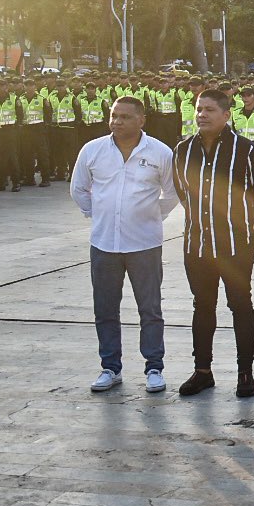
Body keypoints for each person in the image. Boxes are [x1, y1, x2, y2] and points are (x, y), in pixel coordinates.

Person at [70, 96, 178, 393]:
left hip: (144, 243)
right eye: (114, 115)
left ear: (141, 120)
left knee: (150, 308)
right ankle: (110, 367)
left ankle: (154, 367)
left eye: (125, 117)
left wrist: (151, 215)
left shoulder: (159, 152)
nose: (117, 121)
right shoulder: (93, 150)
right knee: (105, 309)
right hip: (104, 244)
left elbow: (171, 192)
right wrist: (99, 214)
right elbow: (78, 189)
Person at [171, 88, 254, 398]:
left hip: (236, 246)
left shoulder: (247, 150)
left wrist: (239, 222)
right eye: (199, 109)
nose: (202, 114)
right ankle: (202, 371)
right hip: (197, 245)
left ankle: (245, 373)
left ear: (226, 115)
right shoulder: (183, 150)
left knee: (240, 305)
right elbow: (182, 192)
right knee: (202, 306)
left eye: (209, 110)